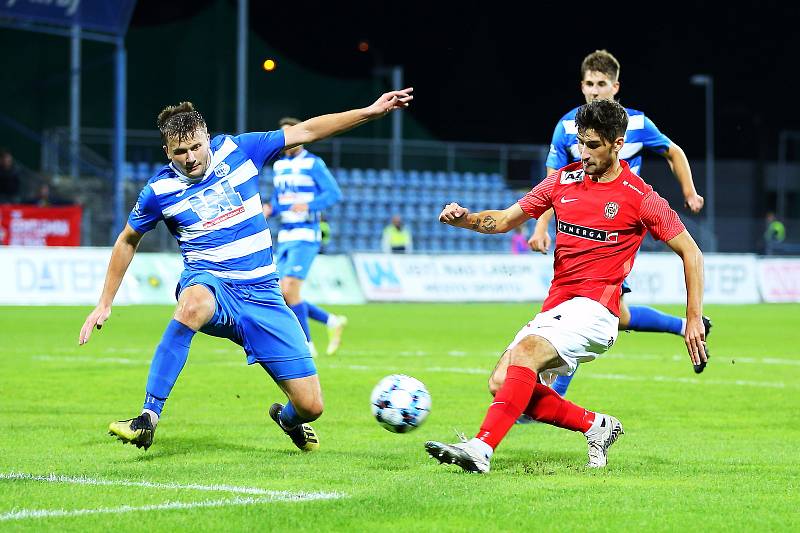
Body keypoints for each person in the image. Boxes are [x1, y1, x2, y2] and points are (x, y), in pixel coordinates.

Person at [78, 88, 413, 451]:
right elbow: (127, 240)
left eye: (195, 147)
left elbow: (307, 132)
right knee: (191, 304)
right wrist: (104, 302)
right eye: (179, 151)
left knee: (311, 406)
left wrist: (368, 111)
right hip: (212, 284)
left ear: (207, 137)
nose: (190, 158)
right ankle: (148, 417)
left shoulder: (239, 150)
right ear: (166, 151)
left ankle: (287, 420)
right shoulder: (158, 190)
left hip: (264, 296)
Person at [425, 99, 707, 473]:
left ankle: (481, 448)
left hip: (598, 310)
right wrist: (466, 220)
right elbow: (507, 219)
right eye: (580, 143)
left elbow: (692, 253)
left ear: (617, 145)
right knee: (500, 383)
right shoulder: (562, 180)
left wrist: (693, 319)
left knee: (525, 354)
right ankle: (597, 426)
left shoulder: (640, 197)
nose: (583, 153)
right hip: (559, 304)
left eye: (593, 146)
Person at [529, 50, 711, 392]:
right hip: (577, 230)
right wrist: (541, 226)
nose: (595, 91)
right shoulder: (569, 127)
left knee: (583, 305)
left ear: (615, 87)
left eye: (602, 84)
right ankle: (680, 326)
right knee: (617, 315)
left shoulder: (637, 124)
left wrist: (689, 191)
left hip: (618, 230)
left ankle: (551, 393)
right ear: (581, 86)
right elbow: (551, 182)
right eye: (589, 84)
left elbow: (674, 151)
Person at [262, 116, 348, 357]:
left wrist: (309, 204)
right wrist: (271, 208)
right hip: (286, 235)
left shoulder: (313, 163)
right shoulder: (279, 166)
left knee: (289, 288)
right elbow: (281, 200)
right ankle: (332, 321)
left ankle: (306, 345)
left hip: (306, 235)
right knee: (283, 293)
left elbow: (333, 194)